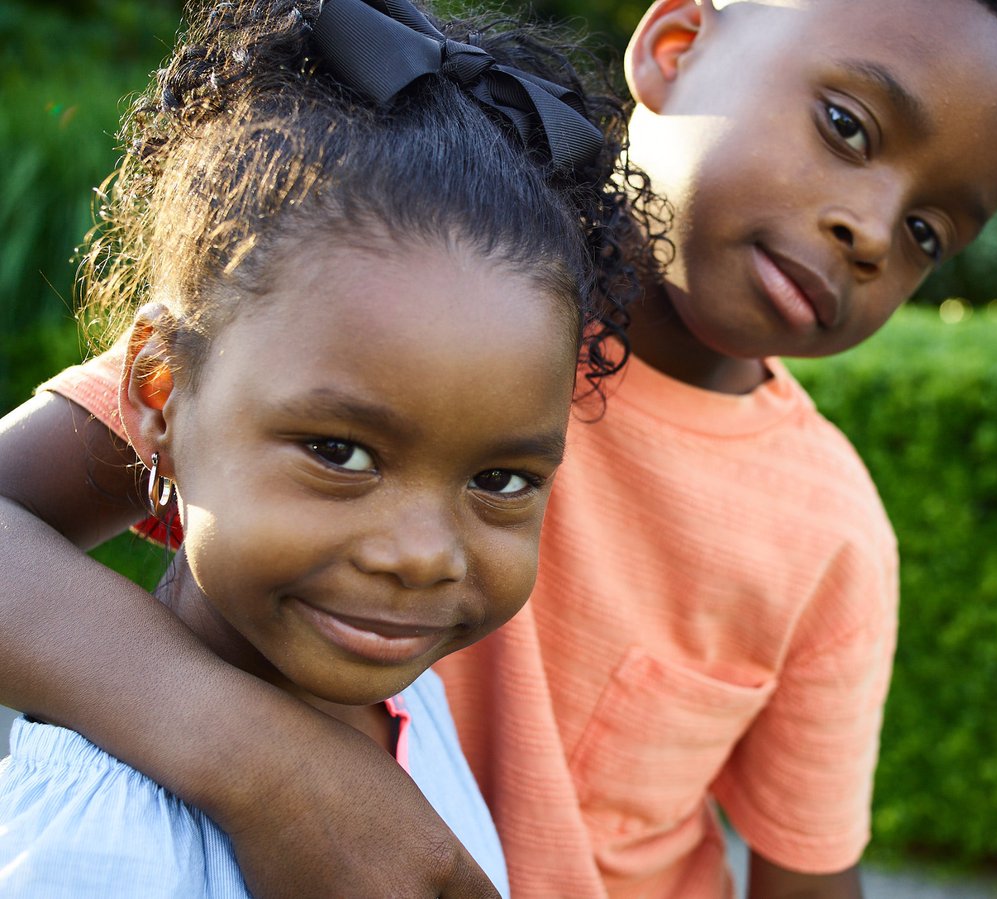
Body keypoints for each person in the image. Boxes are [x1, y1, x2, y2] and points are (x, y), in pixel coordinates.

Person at [0, 0, 997, 896]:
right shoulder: (371, 279)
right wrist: (272, 768)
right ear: (676, 44)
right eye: (847, 124)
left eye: (932, 232)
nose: (875, 230)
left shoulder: (830, 531)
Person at [0, 0, 660, 895]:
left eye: (500, 478)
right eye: (340, 454)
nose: (422, 555)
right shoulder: (95, 851)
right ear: (159, 394)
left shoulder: (403, 696)